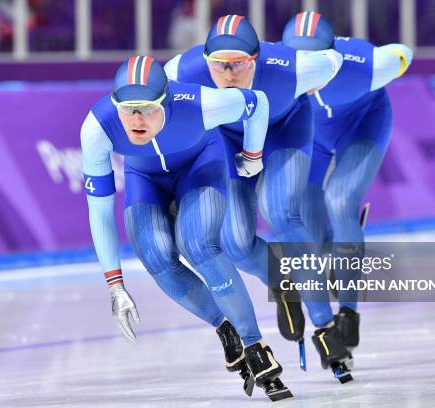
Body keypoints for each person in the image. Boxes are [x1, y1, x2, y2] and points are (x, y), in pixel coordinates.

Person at [80, 55, 292, 401]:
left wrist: (253, 156)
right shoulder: (97, 128)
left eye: (146, 108)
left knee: (197, 243)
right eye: (127, 109)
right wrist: (114, 285)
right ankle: (225, 328)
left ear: (164, 100)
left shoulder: (199, 103)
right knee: (155, 255)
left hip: (199, 166)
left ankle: (255, 345)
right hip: (144, 178)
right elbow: (99, 211)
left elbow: (257, 103)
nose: (135, 120)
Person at [164, 15, 343, 347]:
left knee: (280, 212)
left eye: (239, 65)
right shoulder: (182, 71)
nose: (229, 75)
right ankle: (281, 280)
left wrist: (323, 79)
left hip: (284, 130)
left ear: (256, 59)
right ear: (205, 61)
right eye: (219, 65)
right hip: (229, 142)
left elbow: (334, 58)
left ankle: (324, 323)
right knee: (234, 243)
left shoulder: (294, 68)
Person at [281, 11, 413, 381]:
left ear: (333, 56)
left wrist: (397, 59)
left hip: (362, 125)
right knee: (307, 227)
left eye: (317, 63)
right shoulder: (271, 67)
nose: (306, 74)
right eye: (298, 64)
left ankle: (348, 313)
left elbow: (402, 53)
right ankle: (338, 246)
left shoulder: (364, 64)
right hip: (311, 138)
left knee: (339, 200)